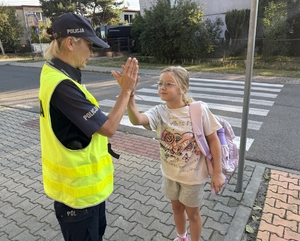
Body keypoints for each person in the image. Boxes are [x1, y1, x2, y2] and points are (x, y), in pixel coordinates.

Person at [38, 13, 138, 241]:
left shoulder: (52, 72)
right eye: (89, 45)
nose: (91, 53)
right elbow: (109, 127)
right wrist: (126, 90)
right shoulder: (62, 85)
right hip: (78, 197)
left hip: (82, 192)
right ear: (71, 43)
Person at [122, 66, 225, 241]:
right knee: (176, 208)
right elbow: (137, 120)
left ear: (183, 88)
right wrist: (130, 99)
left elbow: (214, 141)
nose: (162, 87)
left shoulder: (199, 110)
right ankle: (181, 236)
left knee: (193, 214)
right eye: (160, 83)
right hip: (170, 174)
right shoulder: (159, 111)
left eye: (169, 84)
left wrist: (218, 173)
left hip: (193, 177)